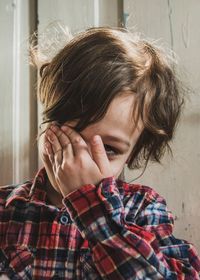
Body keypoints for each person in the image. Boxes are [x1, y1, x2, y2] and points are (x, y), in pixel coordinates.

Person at [0, 27, 199, 280]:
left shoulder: (143, 210)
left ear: (132, 153)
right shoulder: (5, 211)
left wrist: (93, 208)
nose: (82, 161)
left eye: (108, 149)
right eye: (71, 137)